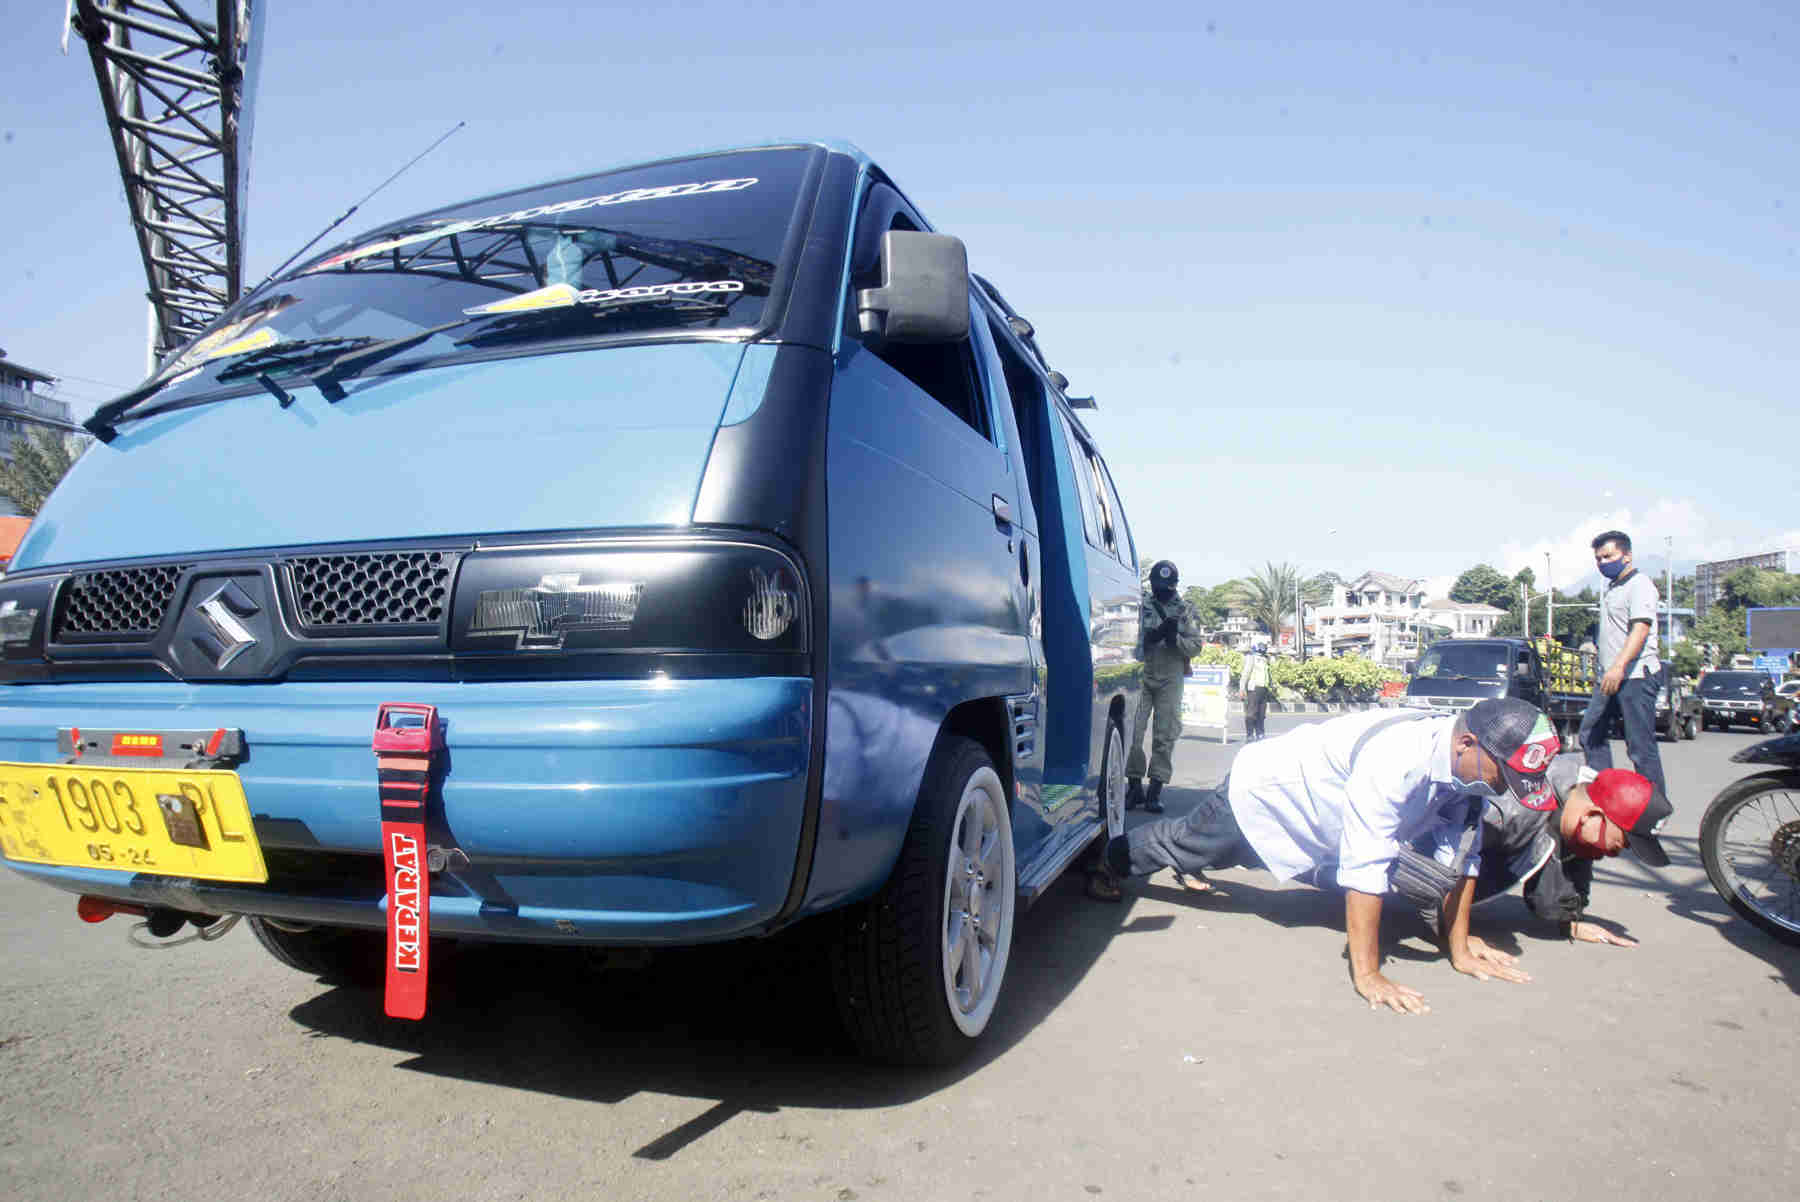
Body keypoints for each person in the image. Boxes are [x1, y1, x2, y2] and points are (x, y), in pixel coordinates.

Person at [1093, 698, 1562, 1014]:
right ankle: (1103, 861)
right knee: (1184, 843)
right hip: (1263, 795)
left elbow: (1465, 860)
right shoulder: (1397, 762)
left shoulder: (1466, 775)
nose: (1504, 786)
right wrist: (1369, 973)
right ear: (1467, 745)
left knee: (1217, 857)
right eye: (1504, 773)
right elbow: (1366, 870)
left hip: (1316, 826)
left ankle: (1192, 867)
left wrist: (1459, 949)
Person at [1423, 755, 1670, 948]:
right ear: (1593, 815)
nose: (1616, 853)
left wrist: (1570, 921)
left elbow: (1573, 861)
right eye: (1620, 844)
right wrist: (1456, 937)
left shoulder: (1575, 806)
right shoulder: (1507, 810)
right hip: (1413, 848)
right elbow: (1437, 857)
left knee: (1583, 843)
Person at [1578, 530, 1670, 812]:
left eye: (1609, 556)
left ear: (1627, 555)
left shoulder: (1640, 585)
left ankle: (1654, 810)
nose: (1603, 562)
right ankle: (1606, 798)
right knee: (1590, 733)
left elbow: (1640, 629)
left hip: (1635, 675)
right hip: (1609, 674)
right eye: (1598, 559)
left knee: (1640, 747)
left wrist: (1618, 666)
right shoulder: (1612, 588)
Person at [1124, 560, 1203, 815]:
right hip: (1141, 674)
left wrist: (1174, 639)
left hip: (1171, 676)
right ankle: (1134, 786)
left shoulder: (1186, 609)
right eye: (1159, 587)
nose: (1163, 592)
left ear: (1174, 586)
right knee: (1133, 731)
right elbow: (1126, 638)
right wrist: (1153, 636)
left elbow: (1196, 646)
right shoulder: (1141, 605)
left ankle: (1155, 792)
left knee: (1165, 734)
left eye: (1167, 588)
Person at [1240, 644, 1272, 741]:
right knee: (1251, 713)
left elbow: (1267, 675)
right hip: (1254, 688)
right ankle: (1250, 735)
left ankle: (1260, 733)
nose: (1264, 648)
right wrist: (1242, 688)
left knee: (1261, 714)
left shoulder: (1266, 659)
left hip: (1264, 689)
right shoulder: (1251, 658)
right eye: (1262, 646)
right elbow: (1245, 673)